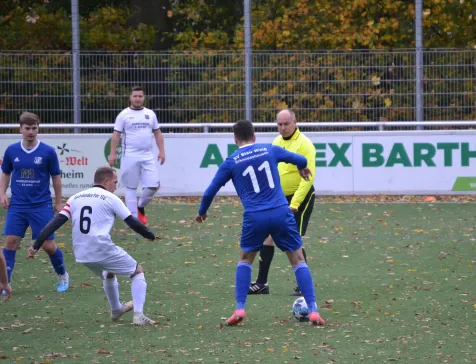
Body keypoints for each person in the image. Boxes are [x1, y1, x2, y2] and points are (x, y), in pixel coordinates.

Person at [195, 120, 325, 326]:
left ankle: (240, 309)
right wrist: (302, 168)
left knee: (246, 259)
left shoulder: (231, 161)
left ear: (235, 139)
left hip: (255, 217)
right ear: (255, 136)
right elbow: (300, 158)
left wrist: (202, 212)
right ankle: (314, 310)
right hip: (281, 211)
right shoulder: (269, 149)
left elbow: (211, 190)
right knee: (298, 259)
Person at [28, 167, 157, 326]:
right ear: (106, 181)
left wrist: (36, 245)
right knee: (137, 272)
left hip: (81, 252)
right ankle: (139, 315)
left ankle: (116, 310)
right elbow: (131, 221)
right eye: (115, 183)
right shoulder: (111, 198)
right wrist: (149, 235)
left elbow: (56, 222)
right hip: (101, 247)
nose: (115, 187)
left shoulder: (75, 197)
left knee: (108, 273)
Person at [249, 109, 317, 296]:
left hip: (300, 199)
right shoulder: (276, 142)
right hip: (279, 199)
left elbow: (308, 178)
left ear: (295, 122)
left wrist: (294, 204)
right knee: (268, 237)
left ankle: (304, 286)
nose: (283, 127)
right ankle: (262, 284)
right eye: (279, 124)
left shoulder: (305, 144)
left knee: (294, 239)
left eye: (286, 124)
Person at [0, 112, 69, 294]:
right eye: (27, 128)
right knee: (10, 242)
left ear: (38, 128)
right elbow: (6, 173)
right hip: (18, 205)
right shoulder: (11, 151)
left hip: (41, 205)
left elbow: (56, 177)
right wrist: (2, 194)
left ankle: (62, 274)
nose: (31, 132)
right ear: (20, 129)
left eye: (34, 128)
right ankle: (4, 284)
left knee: (47, 245)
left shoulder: (47, 152)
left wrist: (59, 202)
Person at [108, 86, 166, 225]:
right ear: (130, 97)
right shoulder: (124, 115)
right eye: (135, 96)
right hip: (130, 155)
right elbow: (116, 135)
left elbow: (157, 133)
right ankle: (133, 220)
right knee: (131, 187)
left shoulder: (150, 114)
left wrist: (162, 151)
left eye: (140, 96)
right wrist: (112, 153)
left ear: (143, 98)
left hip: (147, 155)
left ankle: (140, 207)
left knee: (153, 185)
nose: (138, 99)